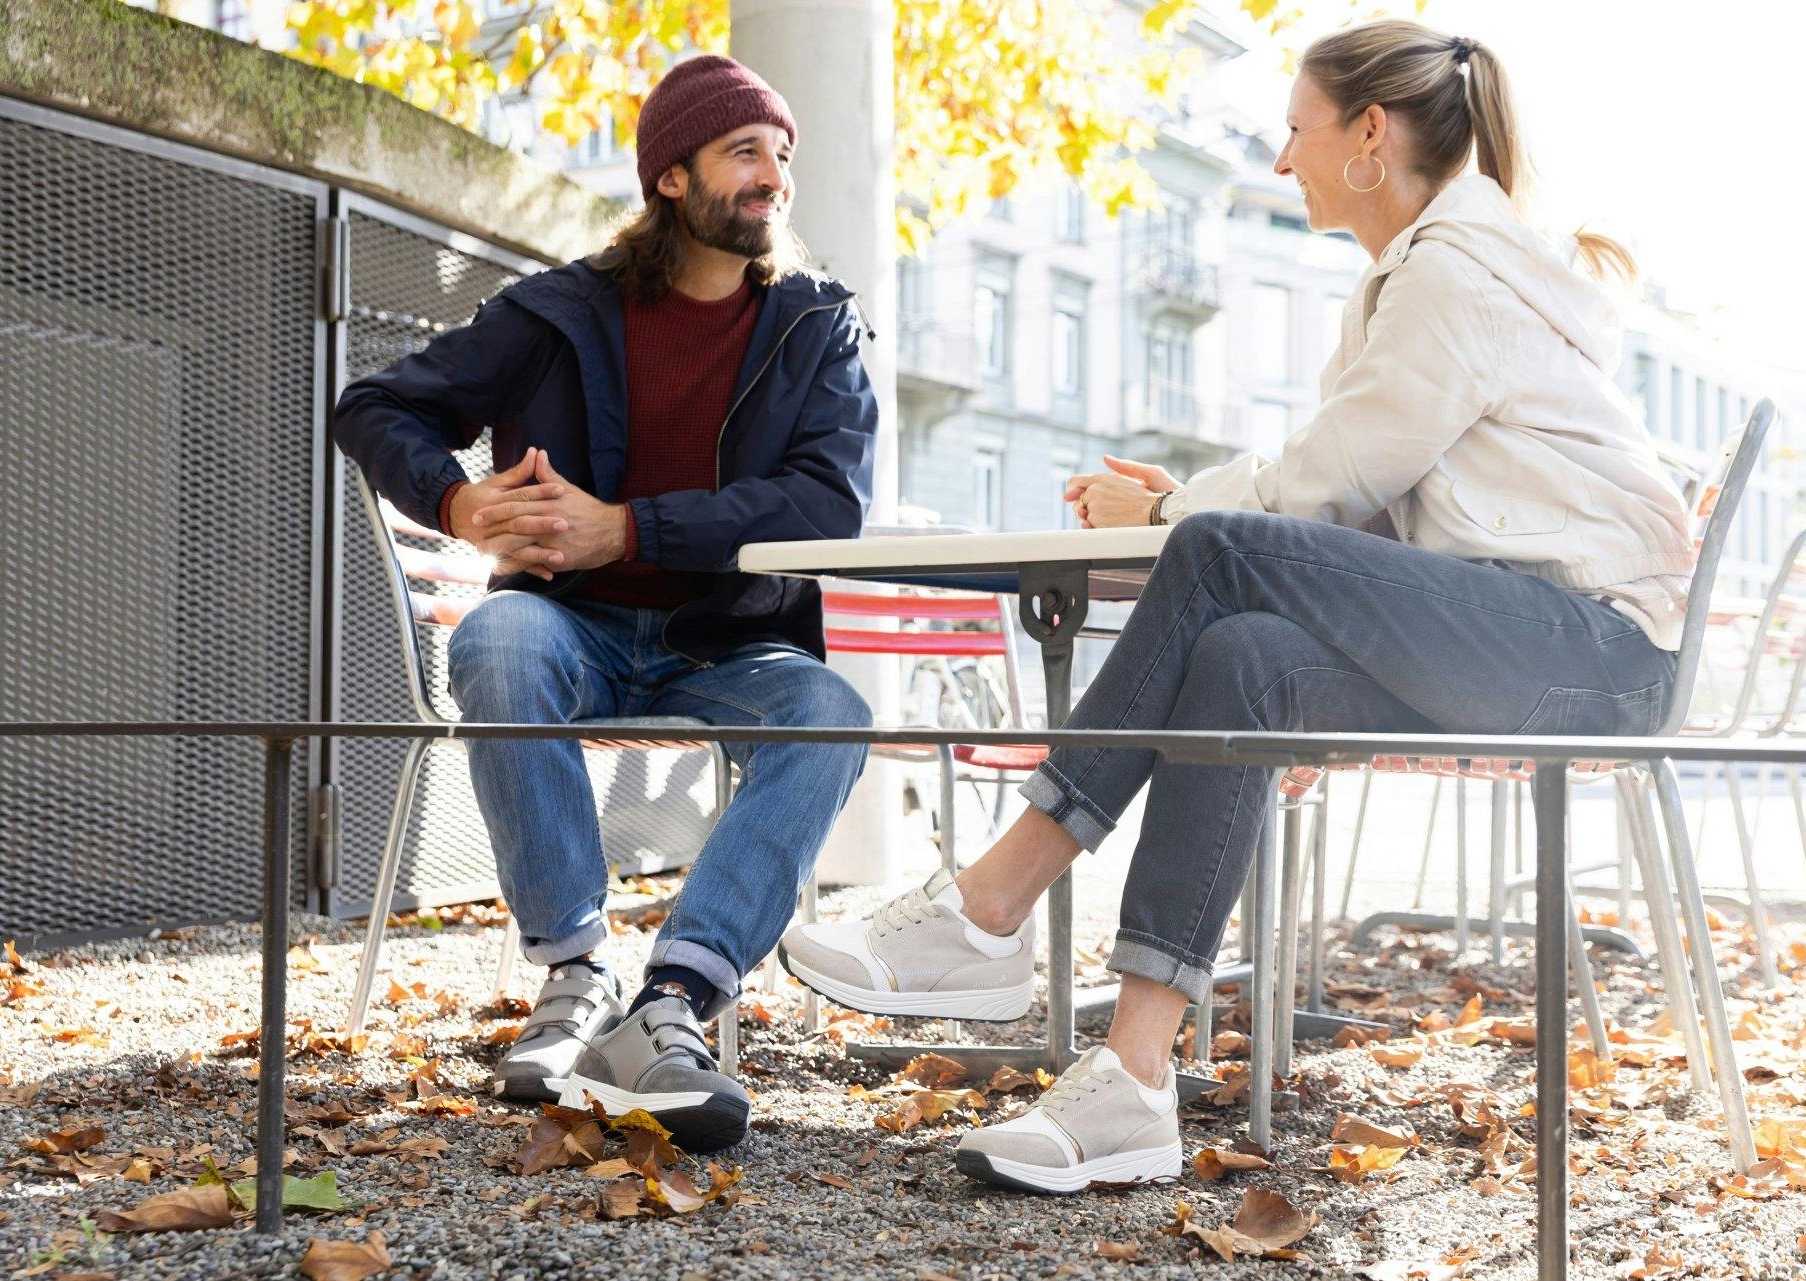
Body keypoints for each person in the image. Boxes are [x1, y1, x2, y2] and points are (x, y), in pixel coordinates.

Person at [781, 18, 1695, 1192]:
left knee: (1215, 555)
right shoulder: (1421, 275)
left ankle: (991, 903)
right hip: (1512, 633)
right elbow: (1354, 499)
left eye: (1296, 129)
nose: (1279, 158)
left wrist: (1175, 513)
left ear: (1370, 136)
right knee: (1245, 659)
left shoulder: (1454, 273)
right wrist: (1188, 507)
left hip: (1590, 651)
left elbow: (1328, 484)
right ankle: (1134, 1079)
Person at [333, 55, 879, 1152]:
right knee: (499, 637)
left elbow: (829, 500)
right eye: (744, 152)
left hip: (728, 643)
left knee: (832, 712)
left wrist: (627, 528)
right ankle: (576, 972)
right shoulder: (556, 313)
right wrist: (457, 499)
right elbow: (374, 404)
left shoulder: (816, 324)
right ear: (671, 176)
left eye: (783, 155)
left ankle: (672, 1000)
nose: (774, 177)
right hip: (569, 626)